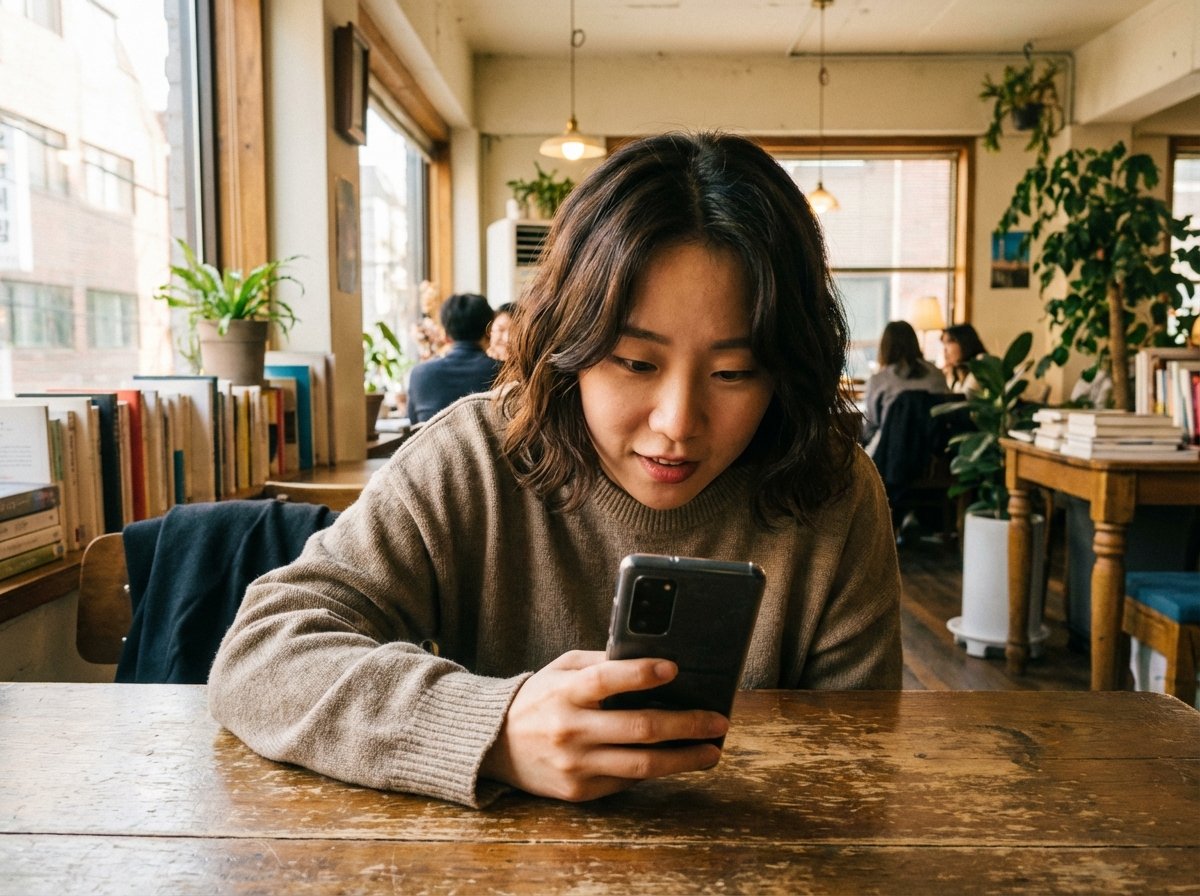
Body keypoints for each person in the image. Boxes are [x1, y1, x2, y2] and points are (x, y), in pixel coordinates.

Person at [208, 131, 903, 809]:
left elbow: (858, 765)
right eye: (635, 362)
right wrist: (493, 728)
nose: (678, 422)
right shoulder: (477, 454)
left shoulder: (831, 490)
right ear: (568, 343)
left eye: (734, 372)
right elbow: (262, 654)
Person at [406, 292, 501, 423]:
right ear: (489, 329)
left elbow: (413, 425)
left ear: (445, 333)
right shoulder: (502, 371)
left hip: (433, 444)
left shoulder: (419, 373)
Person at [861, 320, 948, 454]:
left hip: (892, 455)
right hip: (934, 455)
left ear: (885, 347)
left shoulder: (878, 380)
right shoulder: (937, 375)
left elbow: (871, 424)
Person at [941, 323, 988, 395]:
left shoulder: (981, 362)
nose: (944, 349)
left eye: (949, 343)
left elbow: (964, 400)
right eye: (944, 344)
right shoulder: (956, 372)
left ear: (964, 342)